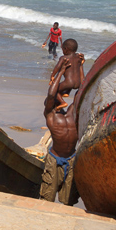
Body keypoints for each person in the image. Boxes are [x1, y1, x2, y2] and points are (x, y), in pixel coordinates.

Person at [40, 39, 85, 206]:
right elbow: (52, 94)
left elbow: (81, 90)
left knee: (68, 202)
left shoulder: (72, 113)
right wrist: (61, 72)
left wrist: (80, 66)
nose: (52, 101)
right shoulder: (51, 116)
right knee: (47, 200)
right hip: (55, 160)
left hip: (71, 160)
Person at [48, 39, 84, 112]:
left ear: (66, 49)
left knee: (55, 90)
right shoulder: (78, 57)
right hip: (78, 83)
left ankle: (62, 102)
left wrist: (52, 76)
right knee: (73, 76)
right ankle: (67, 92)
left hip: (68, 83)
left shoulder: (63, 58)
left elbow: (57, 67)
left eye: (63, 50)